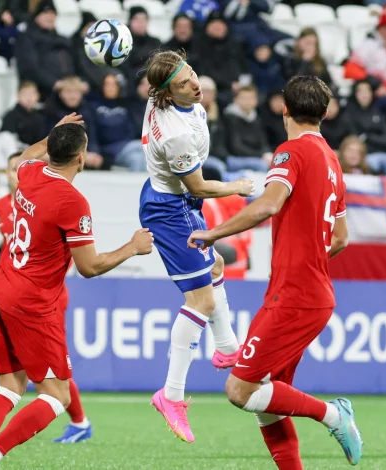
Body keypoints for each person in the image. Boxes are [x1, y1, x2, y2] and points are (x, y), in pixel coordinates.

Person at [187, 76, 363, 468]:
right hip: (312, 293)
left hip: (295, 296)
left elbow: (268, 205)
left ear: (284, 109)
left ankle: (334, 414)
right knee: (269, 397)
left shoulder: (291, 152)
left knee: (240, 390)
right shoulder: (333, 161)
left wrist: (212, 233)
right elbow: (341, 238)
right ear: (325, 112)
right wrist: (306, 260)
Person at [0, 113, 153, 470]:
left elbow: (25, 158)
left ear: (51, 150)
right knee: (56, 395)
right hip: (30, 302)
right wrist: (131, 247)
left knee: (9, 388)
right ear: (82, 158)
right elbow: (90, 266)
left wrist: (54, 134)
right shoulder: (71, 201)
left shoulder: (29, 173)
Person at [139, 50, 254, 443]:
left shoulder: (164, 97)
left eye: (192, 72)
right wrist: (238, 187)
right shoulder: (176, 134)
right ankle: (170, 396)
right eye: (184, 81)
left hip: (172, 201)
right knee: (201, 302)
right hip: (173, 210)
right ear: (168, 95)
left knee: (216, 266)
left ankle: (226, 348)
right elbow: (201, 187)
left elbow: (160, 71)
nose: (195, 82)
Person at [0, 150, 94, 444]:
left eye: (19, 167)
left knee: (49, 375)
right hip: (13, 291)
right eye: (10, 169)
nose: (15, 172)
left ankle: (79, 421)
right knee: (39, 375)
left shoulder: (49, 197)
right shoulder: (4, 204)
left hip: (38, 295)